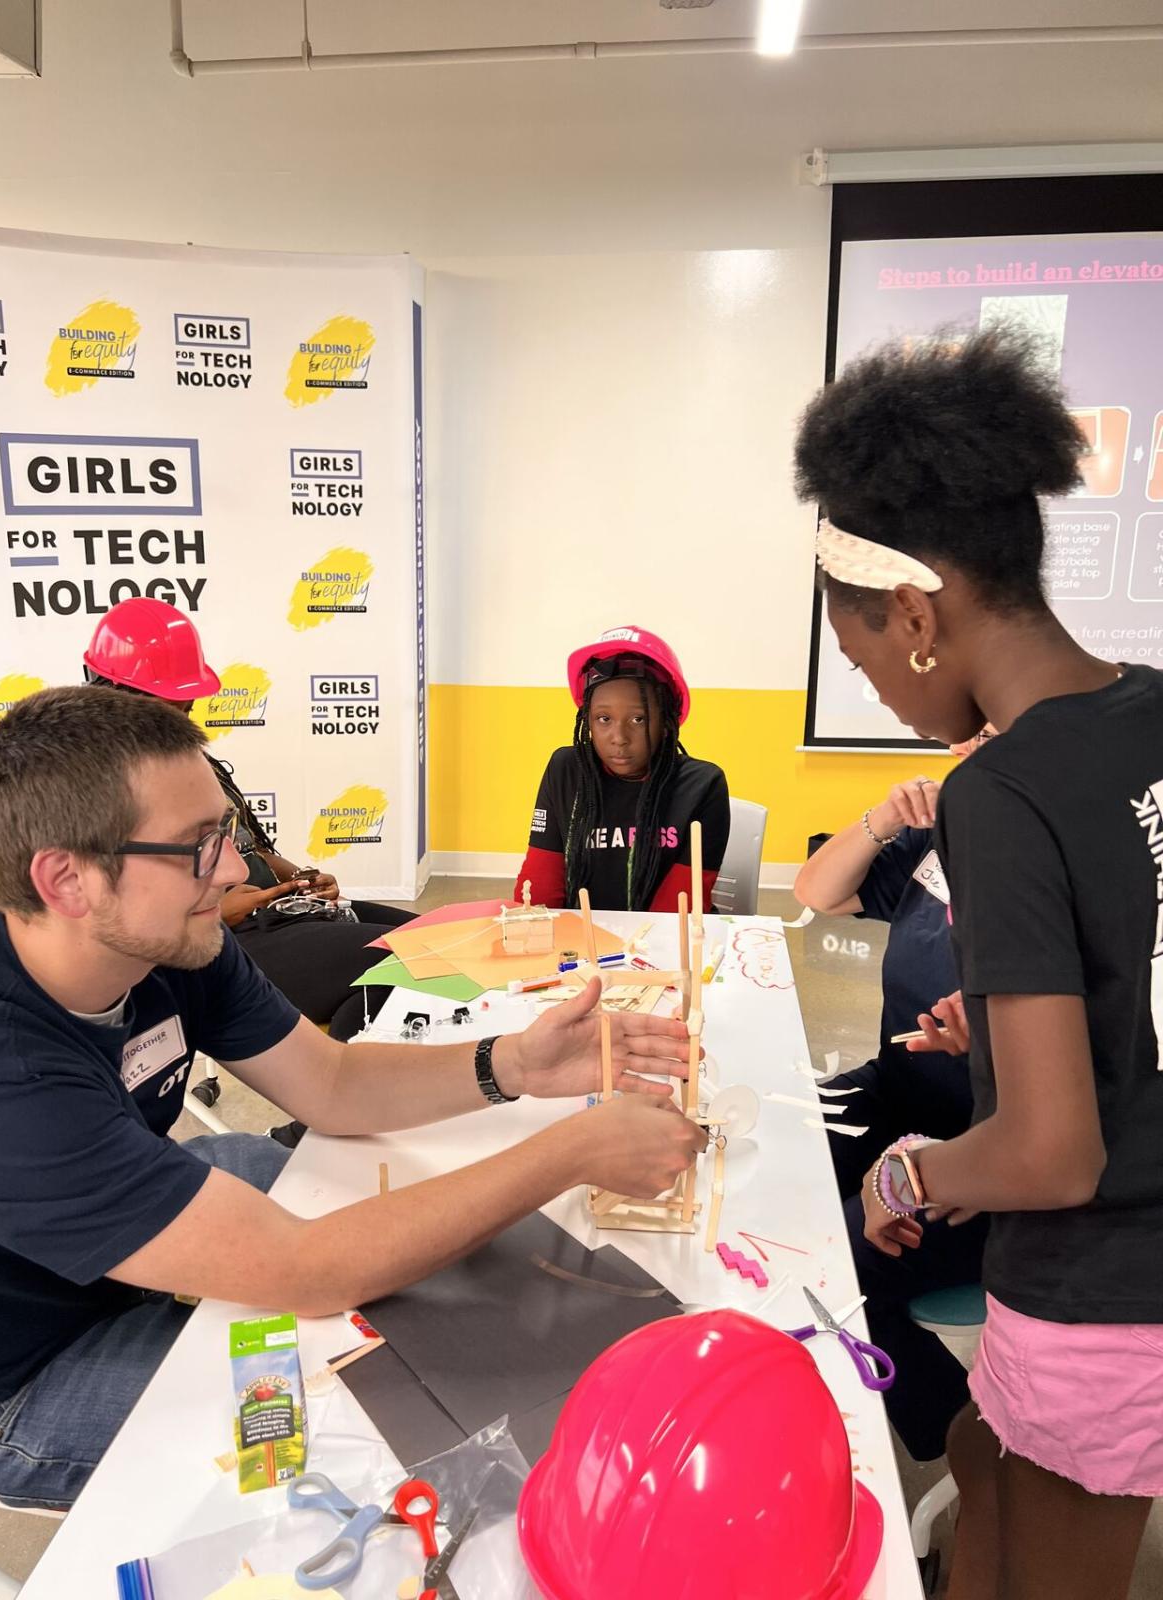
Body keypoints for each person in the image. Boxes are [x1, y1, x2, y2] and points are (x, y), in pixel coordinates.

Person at [0, 686, 705, 1509]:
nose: (237, 870)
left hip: (115, 1254)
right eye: (196, 848)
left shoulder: (170, 944)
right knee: (347, 1407)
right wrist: (569, 1152)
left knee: (349, 1223)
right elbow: (310, 1272)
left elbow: (332, 1084)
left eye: (226, 834)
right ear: (66, 880)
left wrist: (515, 1065)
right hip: (23, 1373)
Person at [793, 327, 1163, 1600]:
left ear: (913, 615)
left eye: (864, 665)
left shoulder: (995, 790)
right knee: (970, 1445)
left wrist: (912, 1171)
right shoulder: (1149, 710)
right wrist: (1001, 1035)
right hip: (1130, 1262)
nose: (889, 699)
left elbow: (1053, 1153)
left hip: (1101, 1289)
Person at [82, 598, 410, 1048]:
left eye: (186, 709)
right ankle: (340, 1101)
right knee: (407, 961)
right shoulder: (95, 790)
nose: (184, 720)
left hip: (275, 916)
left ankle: (342, 1098)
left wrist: (299, 879)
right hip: (220, 943)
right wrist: (219, 910)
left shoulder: (190, 760)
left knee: (435, 940)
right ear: (113, 696)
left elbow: (250, 848)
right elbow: (118, 917)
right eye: (171, 709)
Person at [794, 739, 993, 1463]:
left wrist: (995, 1042)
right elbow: (816, 891)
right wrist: (882, 817)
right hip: (898, 1092)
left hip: (992, 1154)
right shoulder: (938, 843)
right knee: (781, 1159)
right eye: (966, 736)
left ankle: (963, 1436)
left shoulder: (1053, 870)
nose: (967, 747)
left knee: (842, 1259)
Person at [515, 626, 730, 912]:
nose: (619, 737)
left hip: (660, 945)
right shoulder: (566, 770)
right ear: (587, 721)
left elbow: (679, 908)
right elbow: (538, 888)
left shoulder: (702, 785)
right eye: (604, 718)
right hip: (579, 941)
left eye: (638, 719)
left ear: (667, 723)